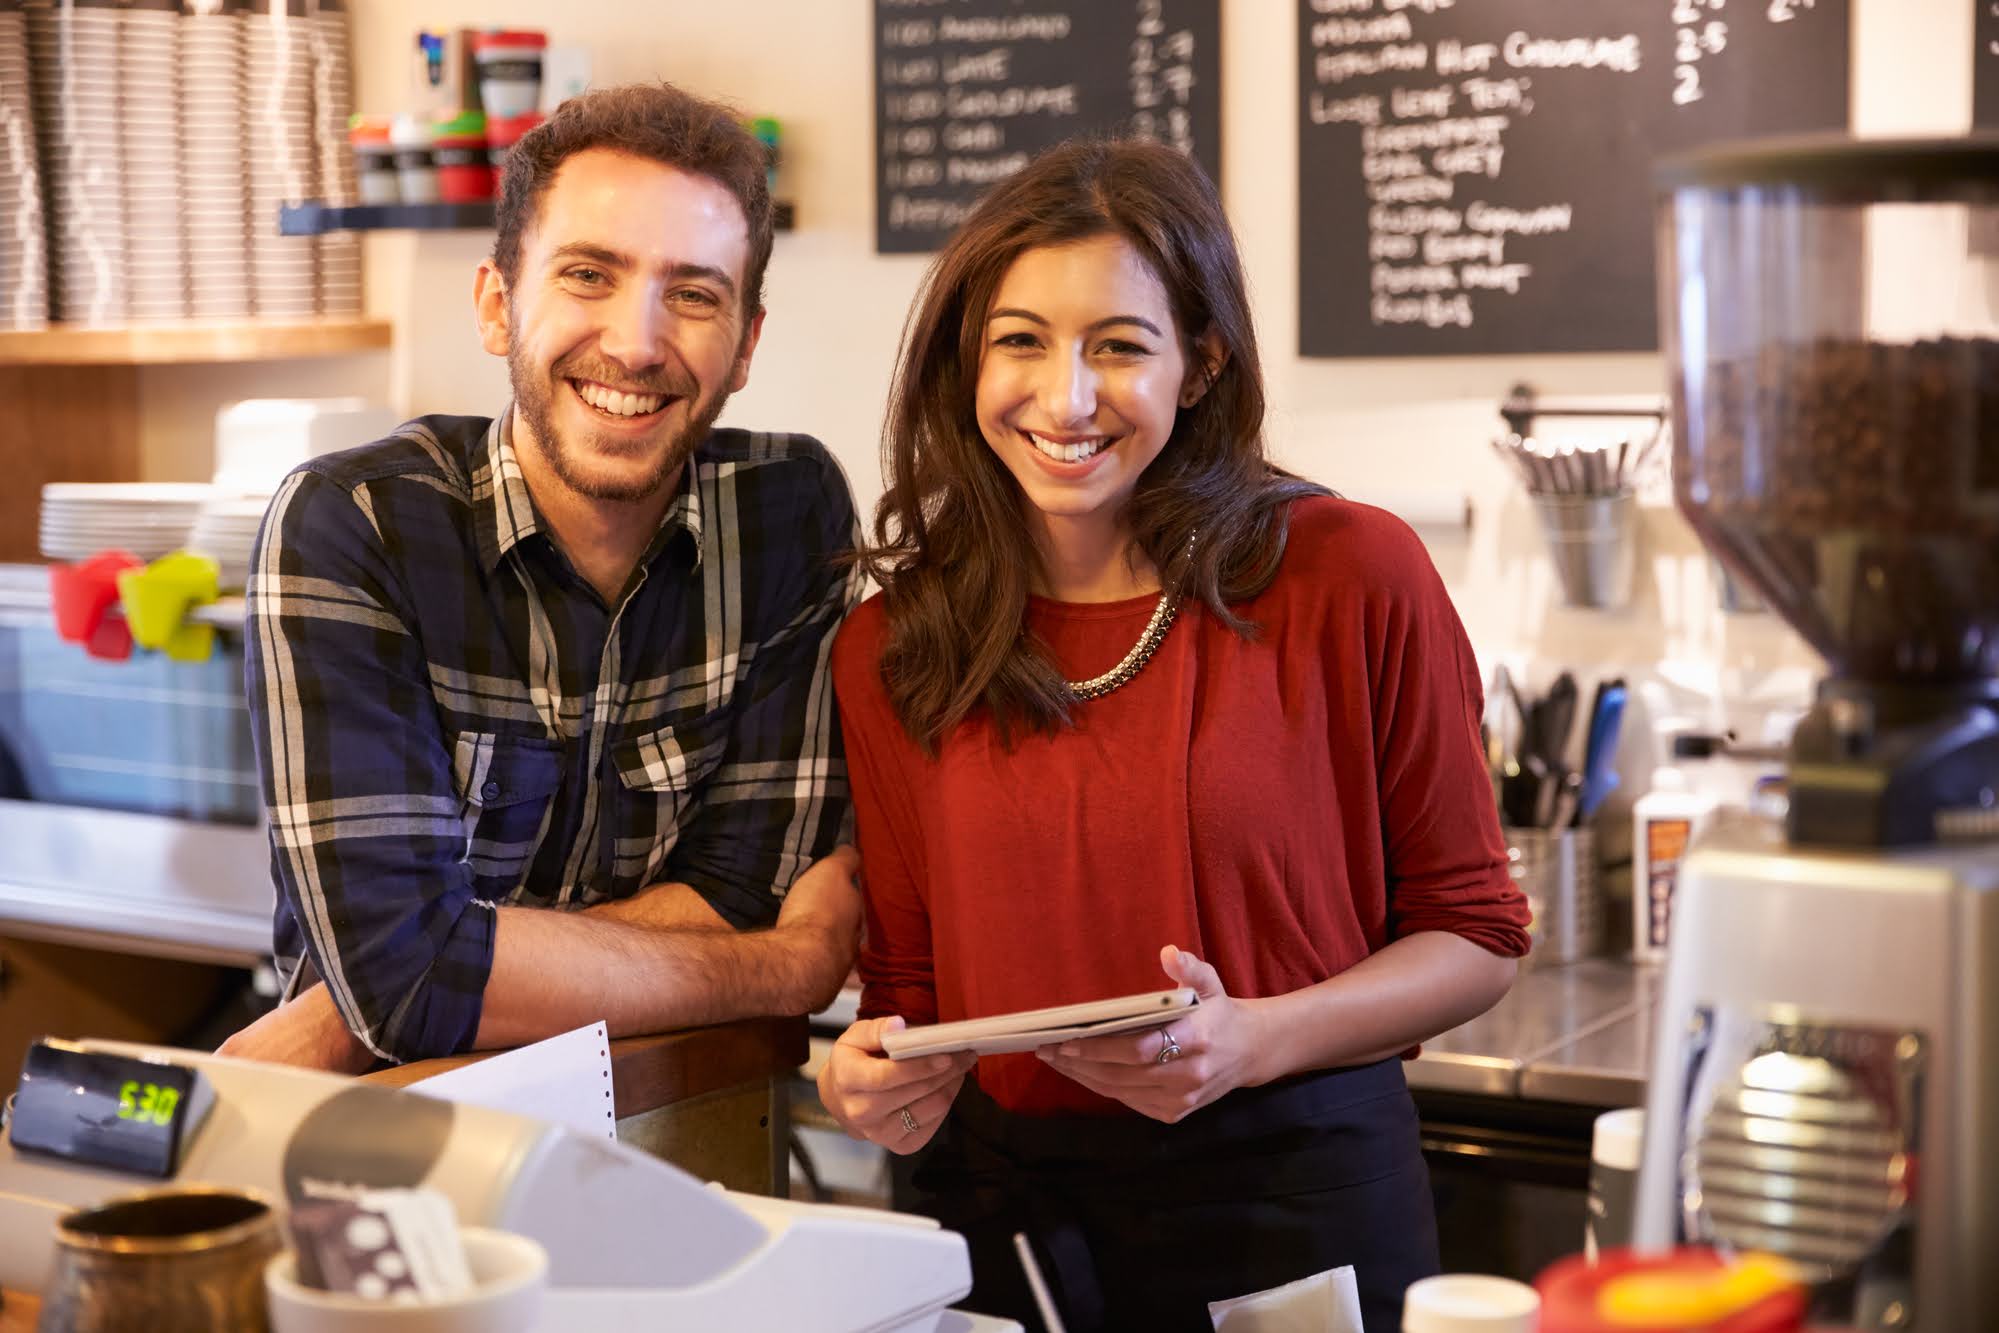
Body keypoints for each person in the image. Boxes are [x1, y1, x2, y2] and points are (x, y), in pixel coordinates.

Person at [817, 138, 1531, 1332]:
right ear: (966, 360)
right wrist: (872, 1077)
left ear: (1199, 365)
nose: (1066, 396)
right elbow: (907, 992)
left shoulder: (1350, 576)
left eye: (1119, 346)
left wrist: (1251, 1037)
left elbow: (1477, 935)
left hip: (1295, 1202)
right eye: (1021, 341)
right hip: (1001, 1229)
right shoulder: (896, 642)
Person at [218, 82, 863, 1072]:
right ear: (496, 303)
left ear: (745, 347)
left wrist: (396, 991)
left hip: (689, 1117)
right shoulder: (355, 528)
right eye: (589, 274)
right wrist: (786, 969)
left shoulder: (787, 512)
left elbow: (744, 886)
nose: (638, 343)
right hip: (398, 1146)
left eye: (693, 293)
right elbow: (408, 985)